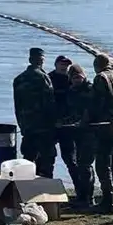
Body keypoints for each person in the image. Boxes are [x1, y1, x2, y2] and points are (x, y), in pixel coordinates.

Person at [78, 54, 113, 214]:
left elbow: (95, 103)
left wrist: (85, 121)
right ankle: (109, 198)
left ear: (96, 66)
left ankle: (107, 201)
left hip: (105, 128)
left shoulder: (101, 78)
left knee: (103, 165)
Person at [13, 48, 56, 178]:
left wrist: (22, 124)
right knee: (46, 160)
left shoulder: (19, 79)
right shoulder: (43, 77)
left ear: (30, 60)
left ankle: (25, 186)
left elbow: (17, 105)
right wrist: (54, 124)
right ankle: (45, 187)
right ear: (42, 60)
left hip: (27, 126)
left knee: (28, 159)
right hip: (44, 127)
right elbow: (50, 103)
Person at [63, 64, 94, 207]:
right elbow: (71, 111)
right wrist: (65, 122)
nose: (77, 80)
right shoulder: (71, 91)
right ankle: (82, 195)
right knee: (80, 165)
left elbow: (92, 110)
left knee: (85, 165)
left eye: (79, 77)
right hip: (76, 132)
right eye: (74, 78)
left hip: (89, 132)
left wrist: (83, 122)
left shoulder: (90, 89)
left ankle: (88, 198)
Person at [49, 55, 80, 192]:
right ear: (56, 64)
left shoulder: (71, 80)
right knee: (47, 158)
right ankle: (46, 187)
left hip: (67, 126)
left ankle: (79, 189)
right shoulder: (48, 78)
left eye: (66, 65)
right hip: (51, 125)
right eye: (62, 64)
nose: (64, 67)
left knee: (70, 159)